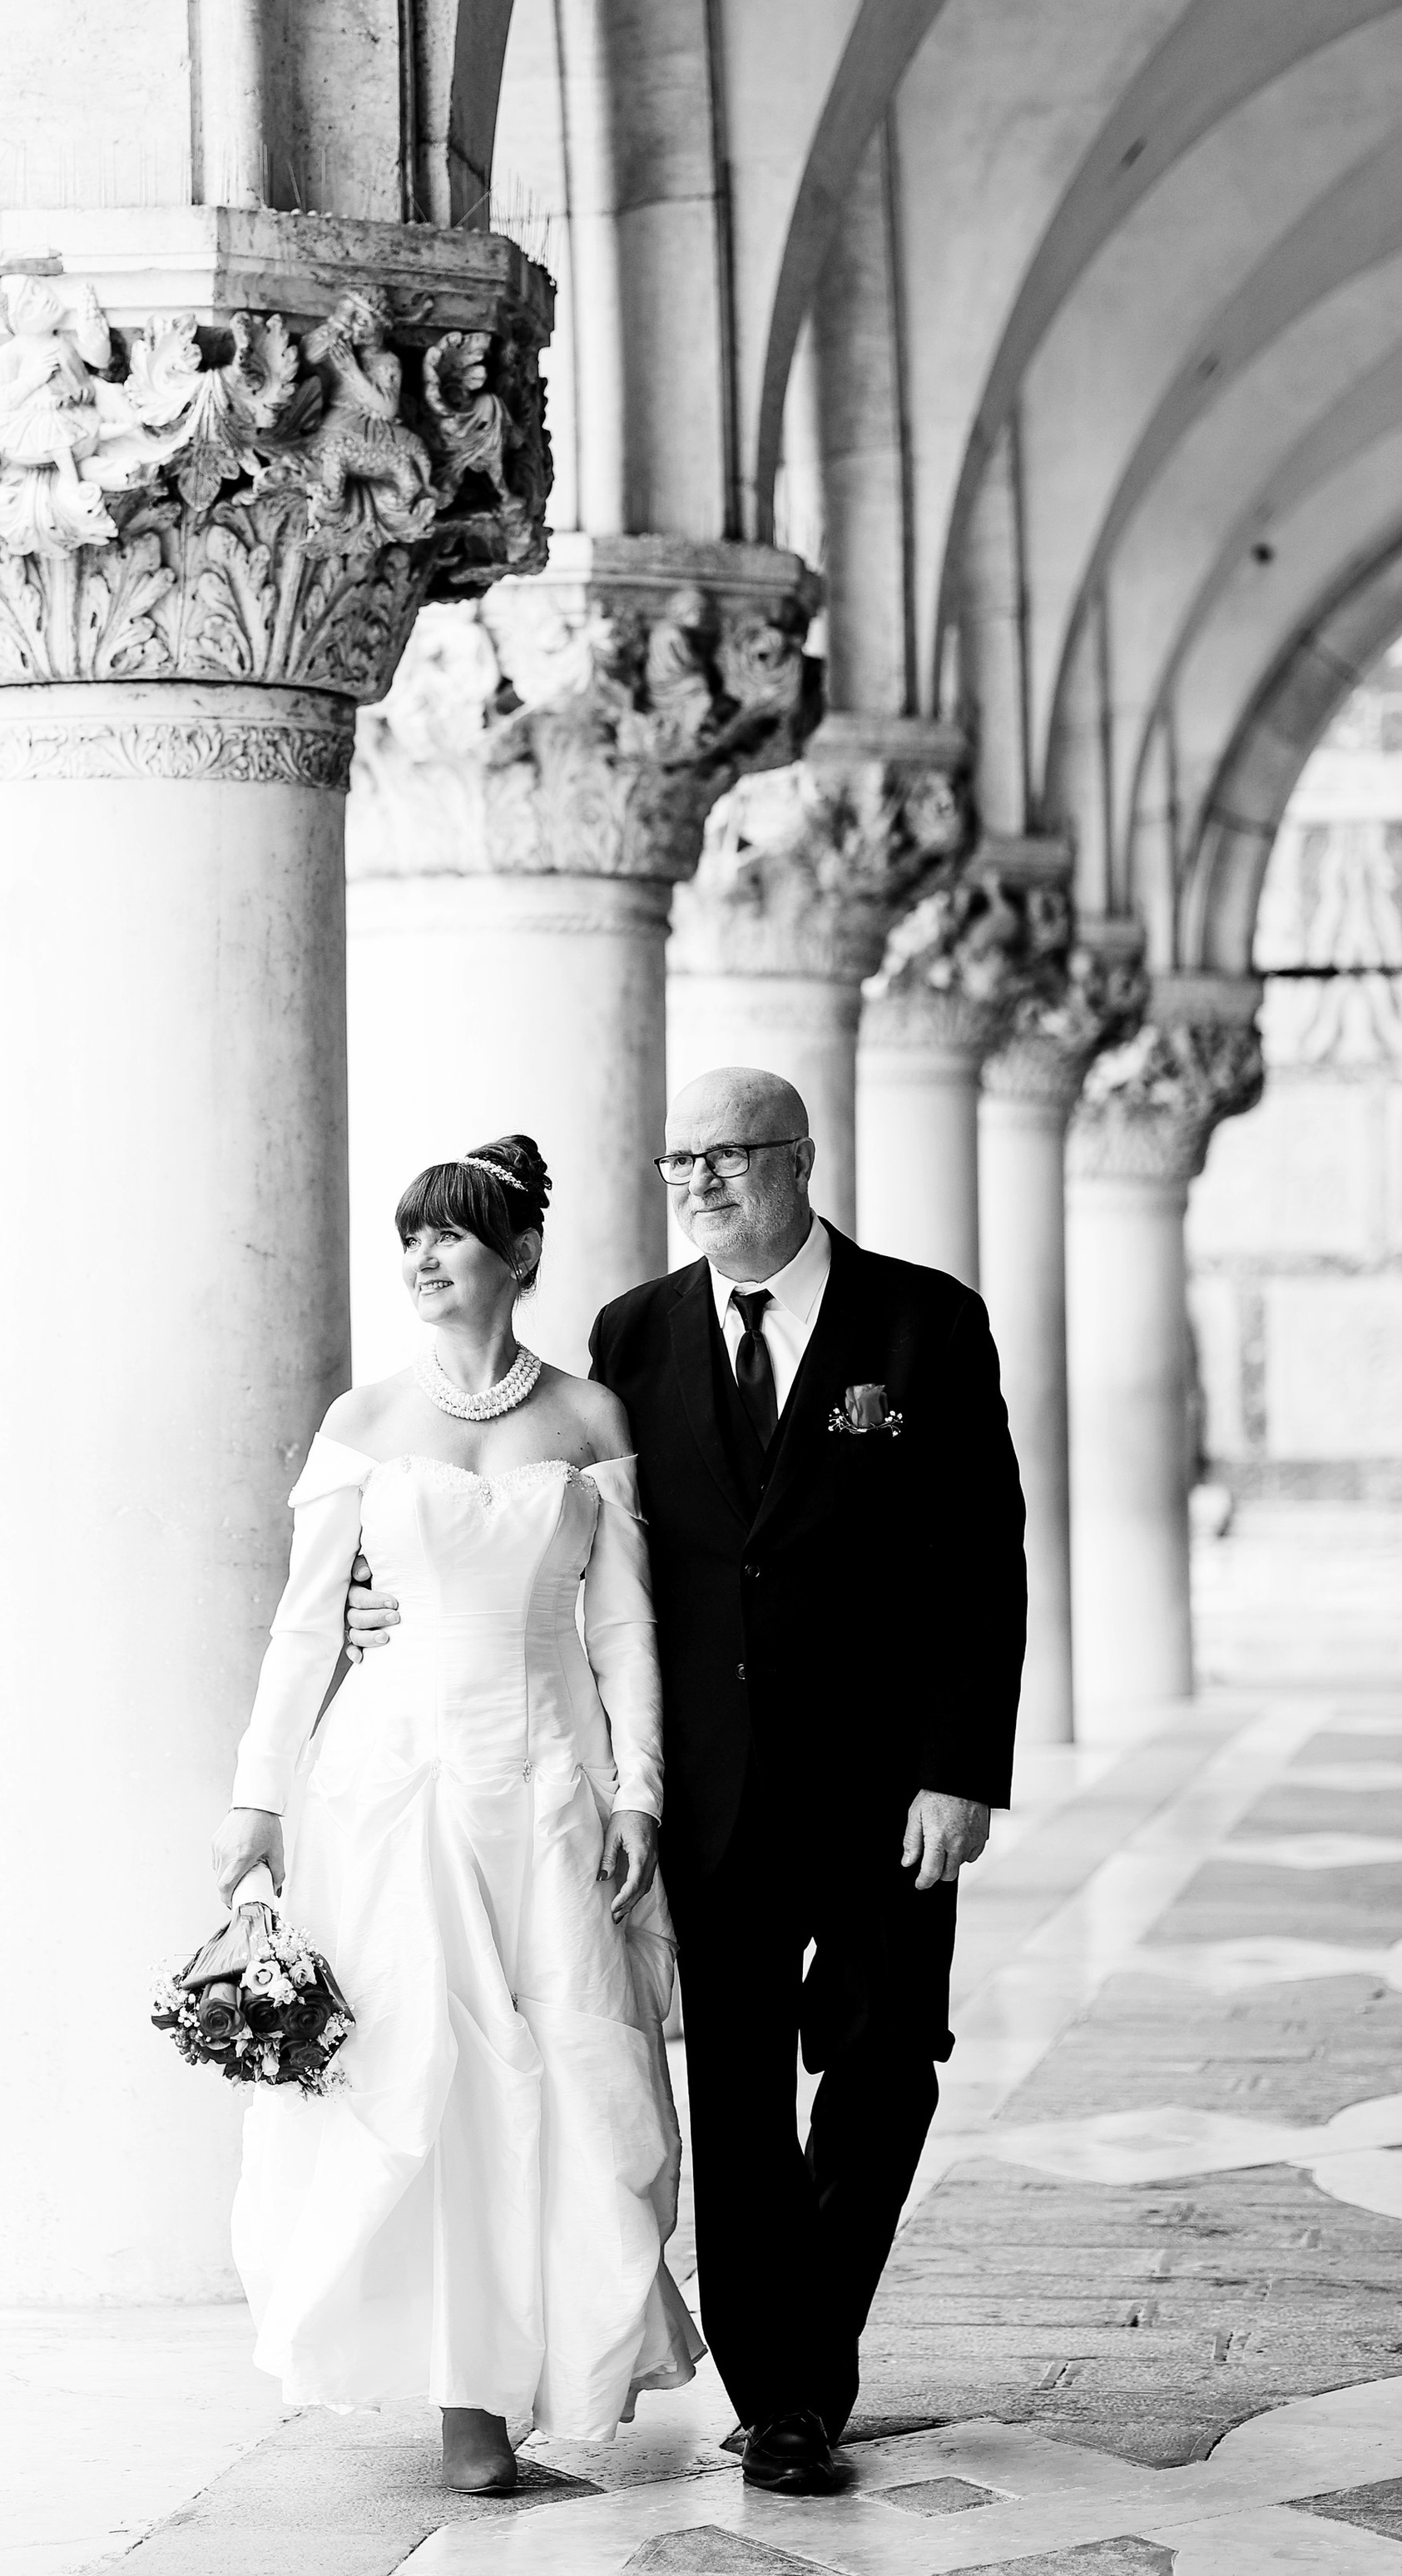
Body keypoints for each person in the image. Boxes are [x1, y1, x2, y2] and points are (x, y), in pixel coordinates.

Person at [347, 1070, 1026, 2497]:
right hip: (714, 1791)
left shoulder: (926, 1321)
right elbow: (587, 1563)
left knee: (888, 2060)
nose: (705, 1183)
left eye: (732, 1157)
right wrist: (390, 1601)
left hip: (887, 1785)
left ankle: (815, 2332)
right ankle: (784, 2391)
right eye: (681, 1163)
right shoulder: (633, 1339)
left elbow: (980, 1560)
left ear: (800, 1161)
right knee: (732, 2095)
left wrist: (956, 1770)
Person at [211, 1134, 703, 2496]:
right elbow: (305, 1631)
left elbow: (625, 1634)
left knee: (564, 2089)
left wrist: (641, 1794)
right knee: (426, 2079)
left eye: (455, 1238)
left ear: (521, 1259)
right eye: (411, 1237)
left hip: (549, 1791)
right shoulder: (365, 1424)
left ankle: (519, 2395)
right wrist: (257, 1800)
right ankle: (467, 2424)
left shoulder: (592, 1422)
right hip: (394, 1789)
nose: (425, 1259)